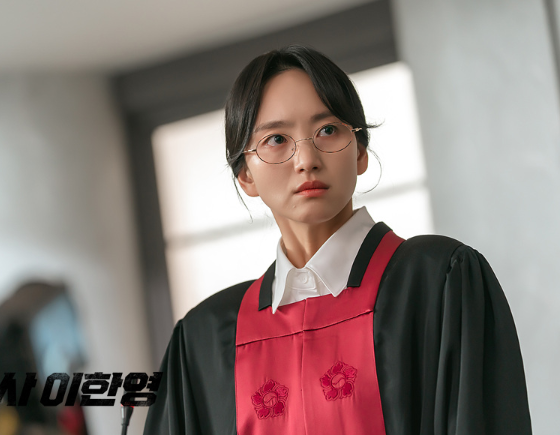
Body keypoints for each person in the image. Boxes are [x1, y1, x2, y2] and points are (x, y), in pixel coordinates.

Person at [143, 45, 532, 435]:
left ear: (360, 151)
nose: (306, 160)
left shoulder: (436, 281)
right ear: (246, 175)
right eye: (276, 139)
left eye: (327, 130)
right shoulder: (206, 339)